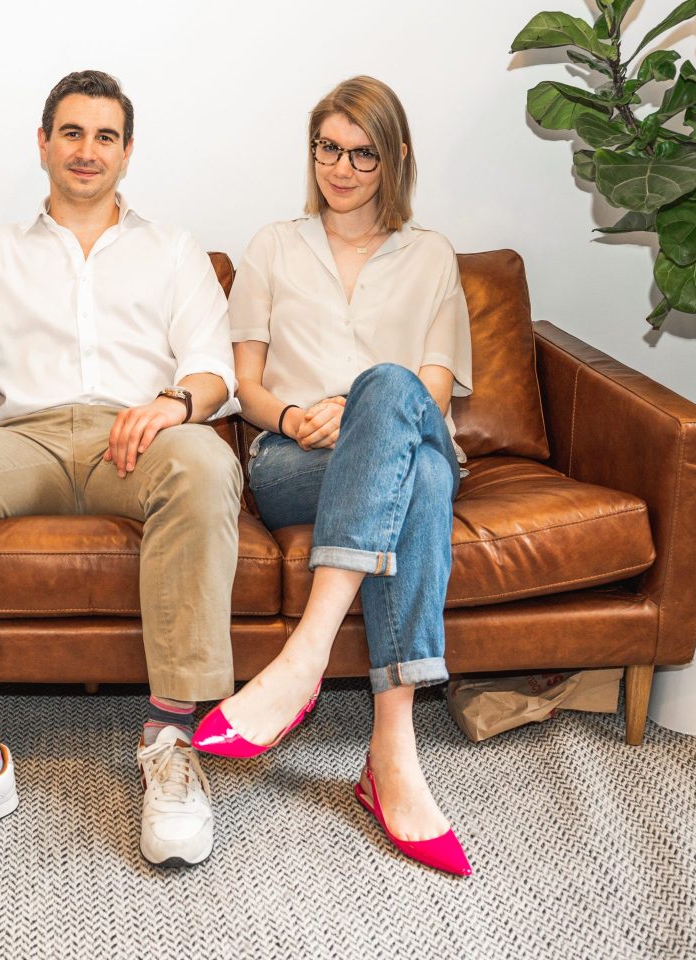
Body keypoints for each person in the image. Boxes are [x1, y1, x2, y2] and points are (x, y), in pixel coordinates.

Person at [0, 70, 242, 875]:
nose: (87, 150)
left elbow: (214, 367)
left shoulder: (174, 249)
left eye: (105, 136)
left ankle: (170, 738)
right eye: (71, 132)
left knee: (207, 459)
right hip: (25, 440)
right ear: (43, 143)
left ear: (127, 152)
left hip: (136, 437)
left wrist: (175, 403)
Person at [191, 76, 474, 877]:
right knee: (420, 478)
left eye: (363, 153)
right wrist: (289, 418)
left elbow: (434, 391)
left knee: (394, 401)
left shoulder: (432, 255)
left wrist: (362, 409)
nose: (342, 168)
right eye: (328, 149)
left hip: (399, 436)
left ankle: (305, 662)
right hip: (294, 461)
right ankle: (391, 759)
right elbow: (245, 384)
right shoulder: (273, 247)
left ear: (397, 158)